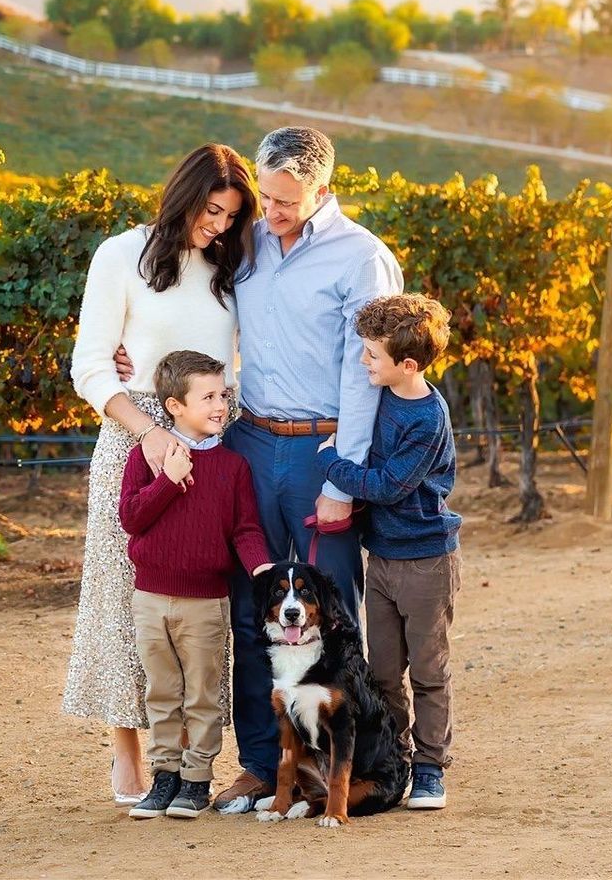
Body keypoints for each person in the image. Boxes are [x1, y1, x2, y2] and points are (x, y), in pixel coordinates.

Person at [113, 125, 402, 814]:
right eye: (263, 198)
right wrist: (135, 351)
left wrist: (343, 479)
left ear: (323, 191)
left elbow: (366, 378)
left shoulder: (362, 259)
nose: (268, 214)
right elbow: (187, 304)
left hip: (323, 450)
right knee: (253, 609)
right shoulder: (248, 246)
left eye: (284, 202)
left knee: (332, 614)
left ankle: (360, 768)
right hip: (249, 441)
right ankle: (262, 765)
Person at [63, 144, 258, 805]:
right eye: (211, 210)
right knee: (124, 599)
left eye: (231, 216)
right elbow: (89, 365)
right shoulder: (121, 255)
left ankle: (194, 759)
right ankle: (127, 749)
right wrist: (149, 431)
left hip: (208, 435)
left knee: (197, 597)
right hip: (133, 431)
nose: (219, 227)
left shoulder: (231, 268)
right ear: (184, 195)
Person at [316, 293, 462, 810]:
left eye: (371, 356)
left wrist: (332, 463)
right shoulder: (382, 395)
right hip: (381, 560)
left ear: (407, 365)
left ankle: (429, 768)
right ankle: (394, 761)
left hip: (425, 562)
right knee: (382, 672)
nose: (363, 363)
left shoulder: (427, 419)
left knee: (427, 670)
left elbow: (387, 486)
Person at [117, 349, 272, 820]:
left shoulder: (232, 468)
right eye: (207, 397)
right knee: (161, 692)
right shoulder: (144, 459)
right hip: (150, 599)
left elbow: (245, 529)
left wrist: (261, 569)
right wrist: (168, 479)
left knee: (203, 694)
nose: (220, 405)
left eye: (222, 394)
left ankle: (196, 780)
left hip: (206, 603)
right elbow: (132, 519)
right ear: (174, 406)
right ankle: (164, 777)